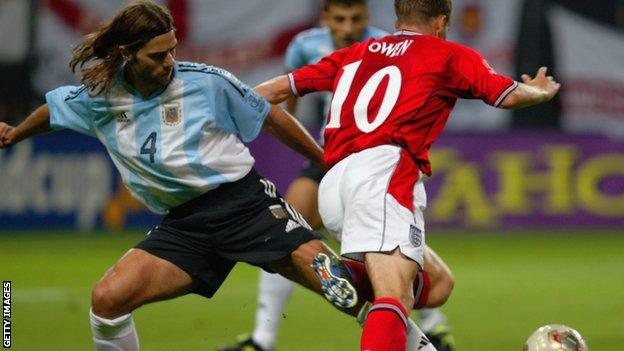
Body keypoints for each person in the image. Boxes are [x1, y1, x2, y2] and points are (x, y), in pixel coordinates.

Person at [0, 1, 428, 350]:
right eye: (157, 55)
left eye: (172, 50)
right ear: (125, 54)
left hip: (247, 207)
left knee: (344, 291)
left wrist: (325, 158)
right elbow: (54, 110)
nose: (169, 61)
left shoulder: (206, 83)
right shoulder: (100, 97)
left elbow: (269, 116)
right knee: (108, 299)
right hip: (185, 226)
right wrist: (17, 133)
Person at [254, 0, 561, 349]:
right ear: (442, 21)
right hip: (383, 175)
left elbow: (277, 89)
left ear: (398, 17)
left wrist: (220, 105)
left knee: (439, 284)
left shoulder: (355, 52)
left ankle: (348, 275)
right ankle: (355, 282)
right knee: (394, 296)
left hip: (334, 182)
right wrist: (541, 91)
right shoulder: (447, 54)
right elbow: (507, 96)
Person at [220, 1, 455, 350]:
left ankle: (431, 324)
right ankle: (263, 337)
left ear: (367, 18)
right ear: (325, 19)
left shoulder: (385, 43)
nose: (348, 27)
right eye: (340, 19)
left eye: (356, 18)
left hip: (374, 154)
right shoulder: (304, 45)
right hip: (333, 151)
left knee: (390, 250)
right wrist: (297, 136)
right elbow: (290, 102)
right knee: (291, 228)